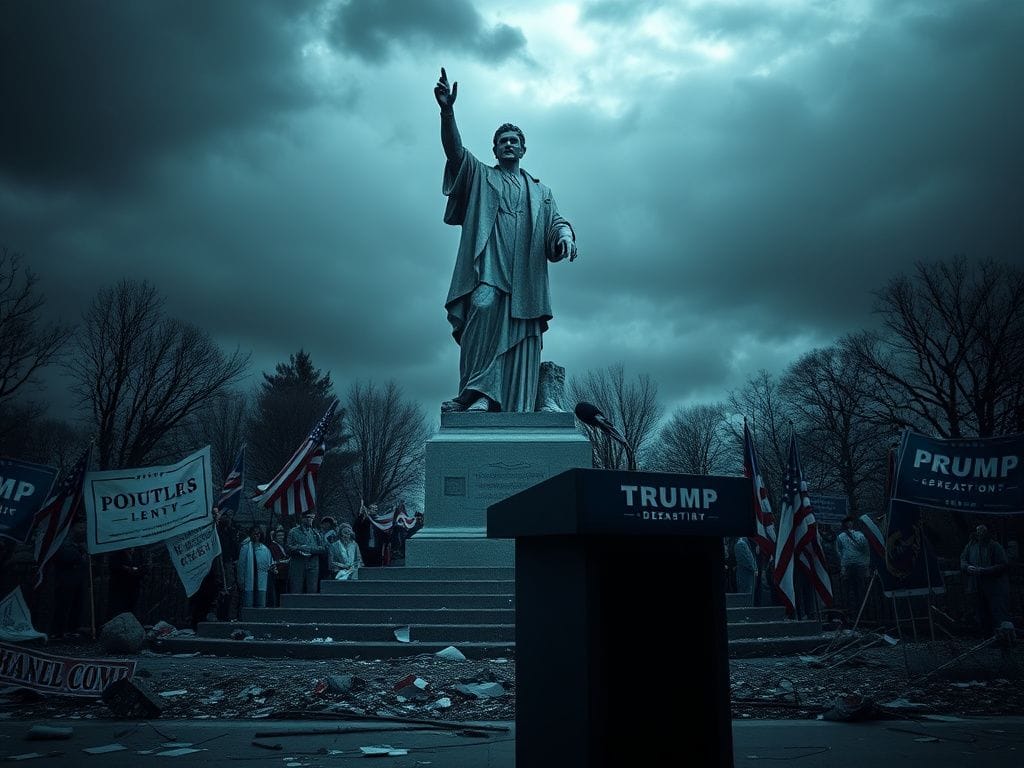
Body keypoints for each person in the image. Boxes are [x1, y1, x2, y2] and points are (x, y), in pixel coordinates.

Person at [434, 67, 578, 413]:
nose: (508, 145)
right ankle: (478, 393)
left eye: (514, 141)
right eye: (503, 141)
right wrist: (447, 112)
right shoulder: (481, 176)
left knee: (522, 337)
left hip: (526, 278)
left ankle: (514, 402)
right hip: (490, 270)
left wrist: (565, 236)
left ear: (523, 149)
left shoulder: (540, 191)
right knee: (481, 310)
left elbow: (557, 222)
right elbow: (455, 153)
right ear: (495, 150)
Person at [960, 524, 1010, 637]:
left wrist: (984, 570)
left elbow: (1003, 565)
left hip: (995, 587)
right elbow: (963, 559)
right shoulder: (971, 545)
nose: (979, 533)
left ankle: (1003, 639)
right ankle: (987, 638)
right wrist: (967, 567)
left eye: (982, 530)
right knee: (982, 612)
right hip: (977, 586)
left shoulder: (995, 546)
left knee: (998, 612)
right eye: (978, 530)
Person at [50, 520, 88, 638]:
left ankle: (73, 628)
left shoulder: (81, 543)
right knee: (63, 606)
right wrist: (80, 555)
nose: (83, 530)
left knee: (77, 605)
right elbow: (67, 556)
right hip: (65, 580)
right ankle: (58, 630)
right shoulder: (64, 542)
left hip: (77, 579)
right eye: (81, 526)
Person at [836, 516, 871, 619]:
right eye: (847, 522)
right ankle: (850, 614)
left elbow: (866, 549)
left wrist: (866, 565)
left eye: (850, 522)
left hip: (859, 565)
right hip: (847, 565)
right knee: (848, 590)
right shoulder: (841, 537)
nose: (849, 524)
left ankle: (863, 614)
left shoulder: (860, 535)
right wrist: (843, 565)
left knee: (860, 589)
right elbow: (839, 551)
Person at [286, 510, 325, 594]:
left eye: (312, 518)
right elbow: (288, 548)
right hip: (298, 564)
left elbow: (322, 548)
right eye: (308, 517)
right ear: (302, 518)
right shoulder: (293, 532)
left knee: (312, 589)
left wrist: (309, 549)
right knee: (296, 588)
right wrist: (299, 548)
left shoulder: (316, 533)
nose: (310, 519)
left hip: (313, 564)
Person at [236, 526, 274, 608]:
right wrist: (241, 580)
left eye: (258, 533)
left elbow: (270, 564)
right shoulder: (245, 547)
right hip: (249, 580)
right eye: (255, 533)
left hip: (262, 581)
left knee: (261, 604)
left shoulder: (265, 549)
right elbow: (241, 565)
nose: (257, 535)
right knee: (248, 605)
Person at [107, 547, 143, 620]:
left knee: (132, 608)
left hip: (134, 586)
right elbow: (114, 567)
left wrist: (135, 570)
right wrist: (127, 569)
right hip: (120, 587)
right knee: (119, 609)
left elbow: (141, 568)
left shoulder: (137, 554)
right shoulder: (117, 555)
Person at [267, 527, 290, 607]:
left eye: (282, 535)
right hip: (278, 573)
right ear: (275, 537)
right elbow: (274, 559)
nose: (281, 537)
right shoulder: (272, 547)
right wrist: (283, 561)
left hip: (285, 572)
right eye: (279, 536)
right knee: (278, 592)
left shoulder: (284, 546)